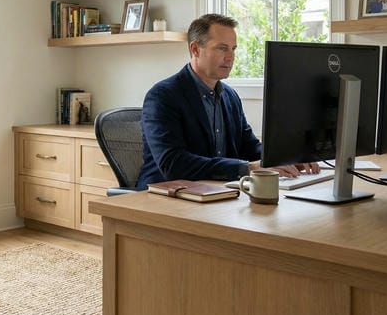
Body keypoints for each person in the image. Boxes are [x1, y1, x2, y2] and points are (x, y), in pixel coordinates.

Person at [137, 13, 320, 189]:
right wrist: (246, 168)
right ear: (195, 49)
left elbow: (249, 147)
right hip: (164, 195)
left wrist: (287, 158)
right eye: (222, 48)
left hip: (217, 192)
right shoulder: (163, 96)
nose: (230, 57)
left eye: (233, 49)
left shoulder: (230, 96)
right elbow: (173, 164)